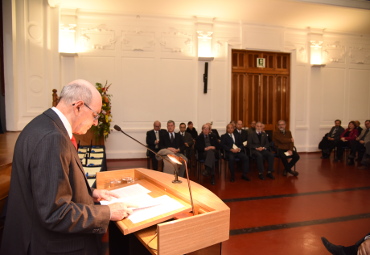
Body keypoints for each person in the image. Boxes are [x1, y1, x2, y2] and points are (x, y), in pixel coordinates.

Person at [0, 80, 134, 255]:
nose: (95, 122)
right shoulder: (52, 139)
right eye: (95, 115)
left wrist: (90, 193)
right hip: (51, 246)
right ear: (78, 106)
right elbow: (55, 212)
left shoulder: (42, 124)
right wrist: (107, 212)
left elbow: (47, 188)